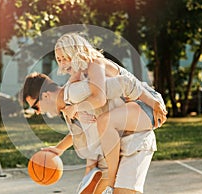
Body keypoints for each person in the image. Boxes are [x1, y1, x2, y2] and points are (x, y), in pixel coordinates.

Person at [54, 32, 167, 192]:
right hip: (132, 106)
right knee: (104, 124)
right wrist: (70, 110)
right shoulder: (79, 74)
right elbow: (66, 97)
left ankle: (110, 181)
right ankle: (108, 179)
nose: (63, 63)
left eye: (65, 57)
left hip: (146, 102)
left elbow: (99, 98)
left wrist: (77, 108)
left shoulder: (95, 64)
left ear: (76, 53)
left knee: (105, 122)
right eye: (59, 59)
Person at [21, 72, 164, 194]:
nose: (38, 112)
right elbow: (82, 132)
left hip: (135, 141)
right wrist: (59, 149)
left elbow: (122, 83)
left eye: (35, 107)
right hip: (119, 150)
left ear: (45, 96)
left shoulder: (77, 90)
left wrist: (149, 100)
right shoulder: (68, 110)